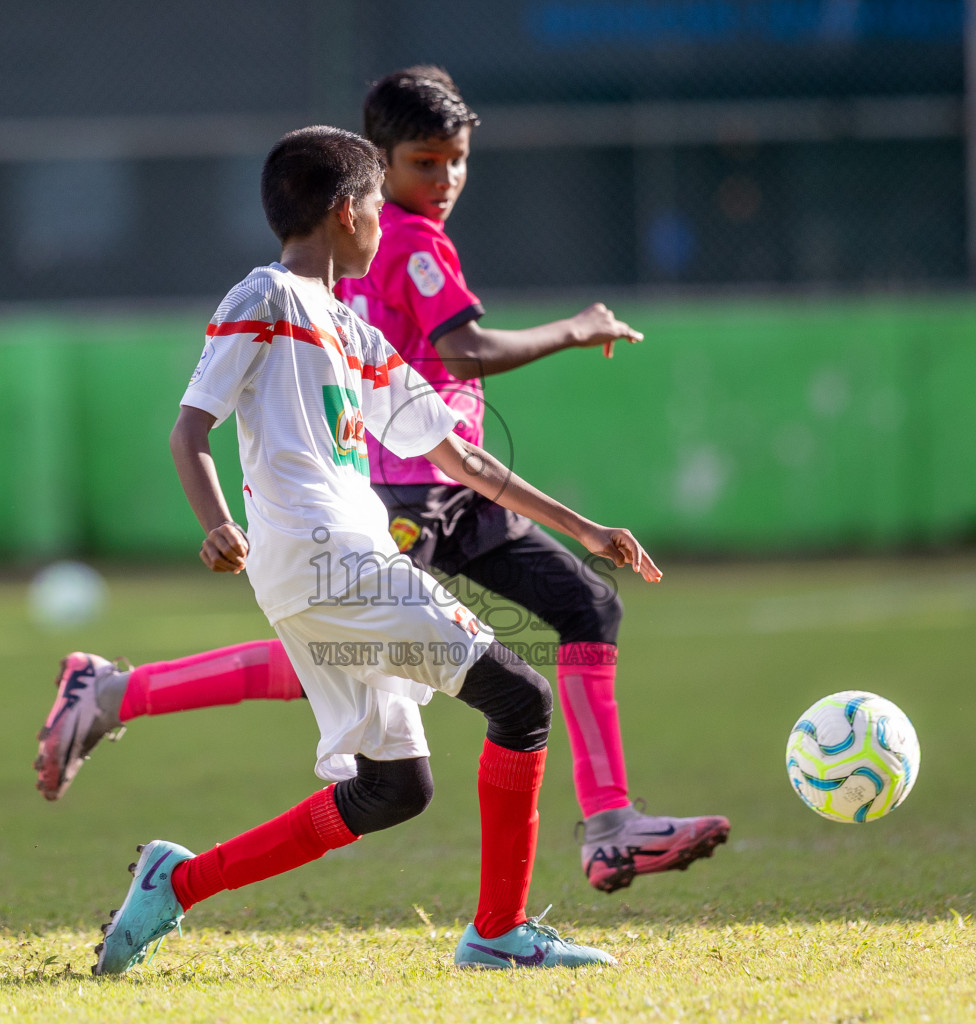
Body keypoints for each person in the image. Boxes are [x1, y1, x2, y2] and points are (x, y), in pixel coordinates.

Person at [38, 67, 728, 897]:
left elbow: (460, 456)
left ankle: (174, 883)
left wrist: (583, 526)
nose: (424, 194)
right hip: (347, 542)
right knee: (514, 698)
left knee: (397, 784)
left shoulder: (349, 326)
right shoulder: (272, 291)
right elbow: (194, 426)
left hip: (365, 539)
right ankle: (509, 926)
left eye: (452, 163)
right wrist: (217, 521)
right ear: (350, 209)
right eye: (400, 182)